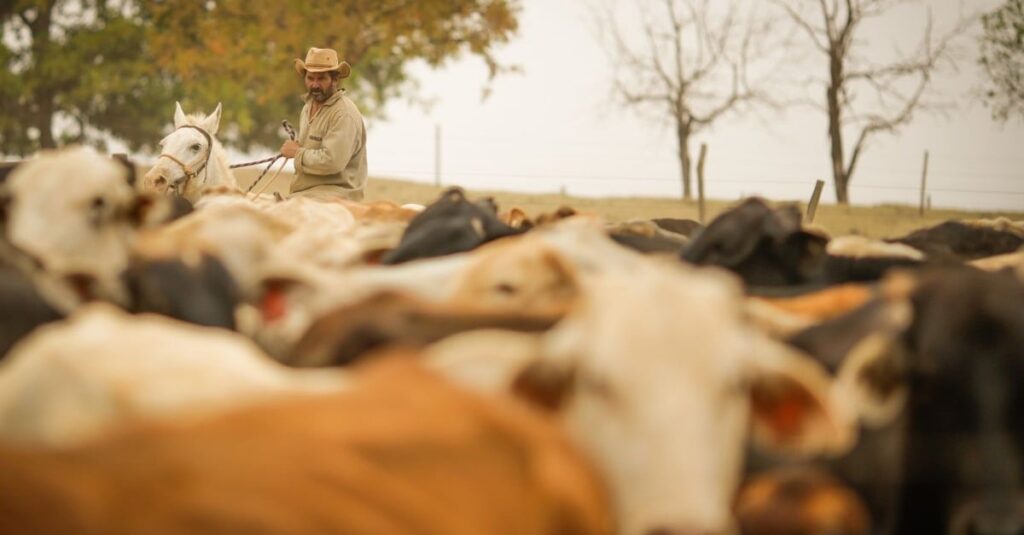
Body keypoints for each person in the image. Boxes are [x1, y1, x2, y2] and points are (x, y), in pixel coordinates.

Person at [281, 47, 368, 201]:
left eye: (321, 79)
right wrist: (298, 148)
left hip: (336, 196)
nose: (314, 85)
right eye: (310, 78)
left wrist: (297, 153)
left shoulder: (343, 114)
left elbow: (333, 161)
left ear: (335, 80)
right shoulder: (307, 108)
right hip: (307, 194)